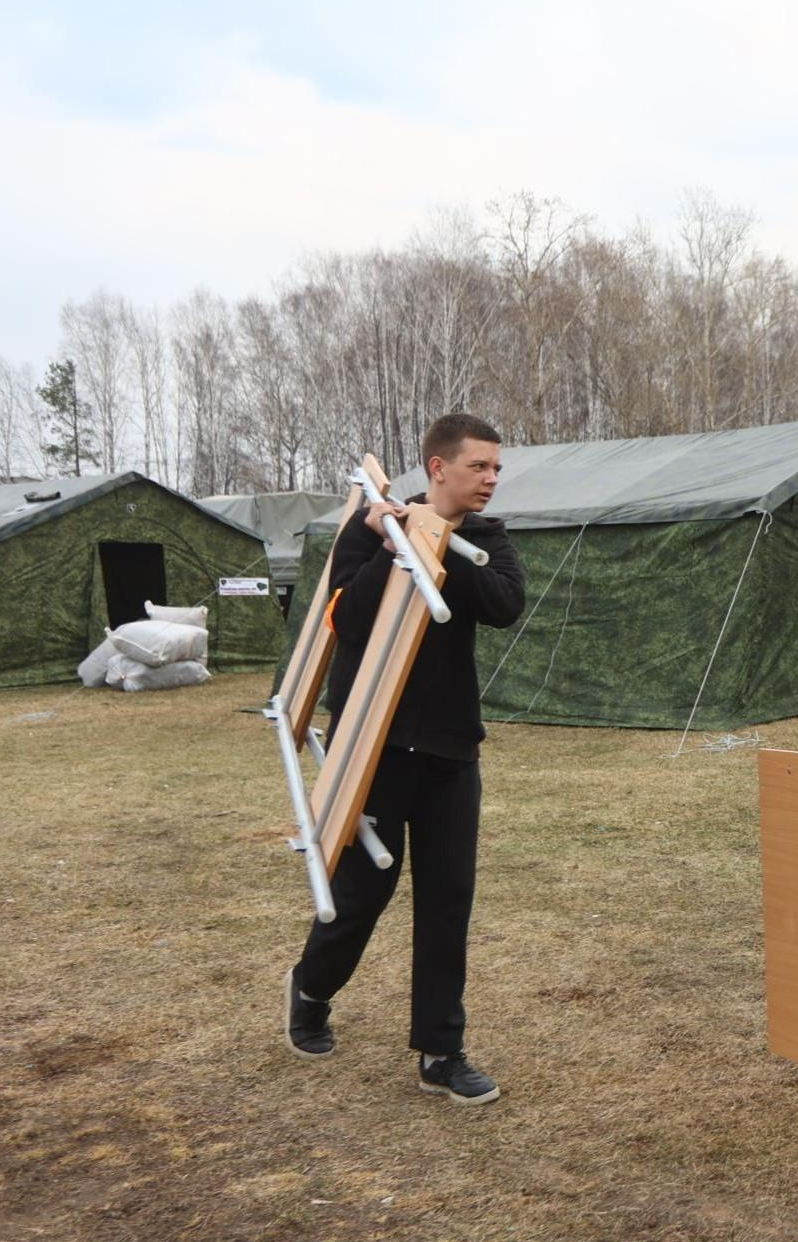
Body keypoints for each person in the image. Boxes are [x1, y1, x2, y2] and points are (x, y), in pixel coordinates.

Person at [283, 413, 526, 1106]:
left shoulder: (488, 539)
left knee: (448, 900)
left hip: (452, 750)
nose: (491, 479)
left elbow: (505, 603)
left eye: (496, 468)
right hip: (378, 745)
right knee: (363, 892)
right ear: (437, 467)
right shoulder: (371, 531)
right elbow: (347, 621)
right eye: (479, 466)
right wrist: (393, 546)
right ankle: (311, 988)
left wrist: (438, 547)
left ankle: (440, 1051)